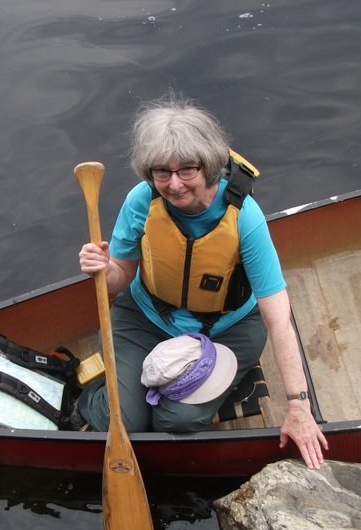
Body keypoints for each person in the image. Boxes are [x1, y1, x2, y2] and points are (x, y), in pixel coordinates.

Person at [77, 93, 327, 469]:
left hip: (226, 328)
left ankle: (180, 382)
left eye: (186, 171)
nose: (174, 185)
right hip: (146, 318)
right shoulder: (141, 201)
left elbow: (278, 318)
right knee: (125, 422)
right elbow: (120, 278)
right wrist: (102, 267)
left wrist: (298, 405)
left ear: (207, 166)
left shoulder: (244, 216)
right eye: (162, 172)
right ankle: (98, 396)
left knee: (174, 422)